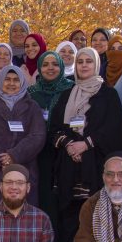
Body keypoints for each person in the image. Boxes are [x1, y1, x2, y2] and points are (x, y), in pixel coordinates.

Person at [49, 48, 122, 242]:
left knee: (97, 215)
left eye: (88, 62)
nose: (84, 66)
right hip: (68, 165)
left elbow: (114, 129)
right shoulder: (67, 94)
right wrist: (68, 145)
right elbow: (55, 128)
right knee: (69, 214)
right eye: (80, 62)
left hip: (95, 164)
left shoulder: (108, 94)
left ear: (96, 65)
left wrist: (86, 144)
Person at [0, 64, 46, 208]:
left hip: (23, 169)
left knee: (21, 225)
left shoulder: (32, 107)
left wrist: (14, 155)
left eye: (16, 80)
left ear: (22, 82)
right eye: (7, 79)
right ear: (0, 81)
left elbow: (38, 136)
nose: (11, 83)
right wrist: (1, 157)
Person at [28, 50, 75, 223]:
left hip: (64, 147)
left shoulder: (71, 89)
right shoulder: (31, 92)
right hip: (40, 151)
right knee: (45, 194)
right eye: (46, 64)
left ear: (61, 67)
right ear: (40, 67)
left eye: (55, 64)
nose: (50, 68)